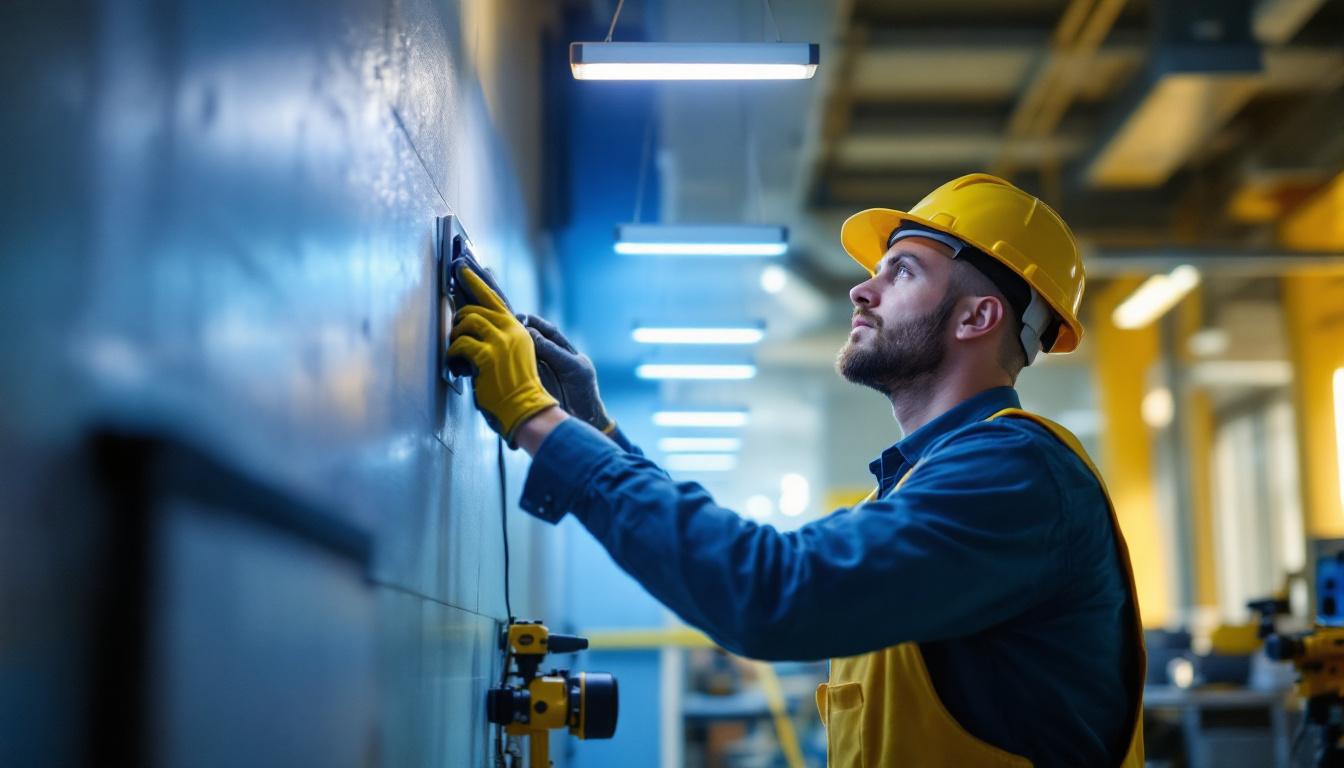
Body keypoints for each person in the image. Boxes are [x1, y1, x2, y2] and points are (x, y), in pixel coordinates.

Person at [448, 173, 1145, 767]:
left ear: (977, 317)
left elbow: (773, 595)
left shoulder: (1016, 476)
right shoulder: (923, 480)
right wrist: (592, 431)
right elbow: (766, 578)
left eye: (901, 271)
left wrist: (539, 422)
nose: (862, 291)